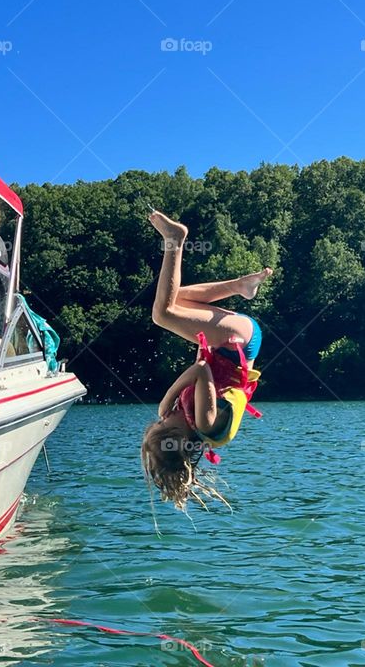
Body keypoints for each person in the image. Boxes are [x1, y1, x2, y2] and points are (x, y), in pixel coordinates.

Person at [142, 210, 271, 509]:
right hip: (238, 343)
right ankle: (175, 239)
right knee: (162, 314)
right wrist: (168, 396)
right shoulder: (205, 422)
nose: (162, 415)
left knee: (173, 299)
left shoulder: (195, 422)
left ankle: (241, 286)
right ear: (176, 434)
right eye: (162, 422)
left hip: (230, 342)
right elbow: (201, 371)